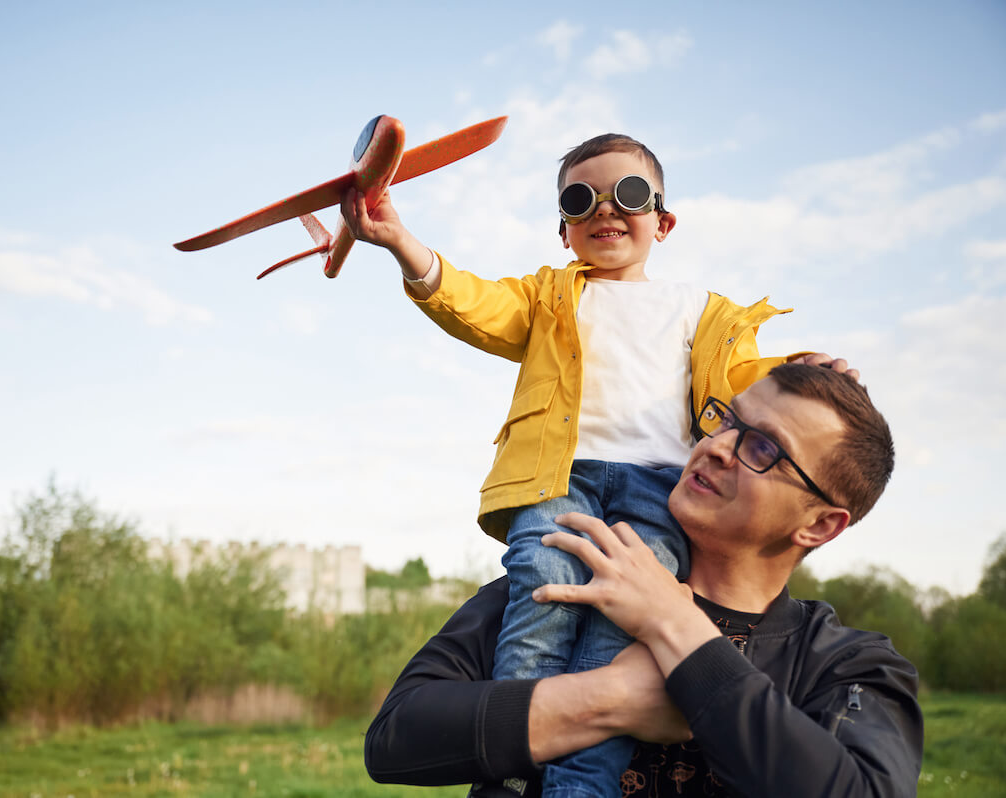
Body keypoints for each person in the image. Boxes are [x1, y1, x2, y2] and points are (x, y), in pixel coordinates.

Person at [344, 133, 836, 797]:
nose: (605, 209)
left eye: (628, 195)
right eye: (582, 200)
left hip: (660, 490)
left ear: (662, 221)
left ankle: (581, 790)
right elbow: (475, 303)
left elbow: (745, 380)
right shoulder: (549, 297)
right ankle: (514, 773)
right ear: (564, 229)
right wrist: (405, 243)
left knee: (622, 623)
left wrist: (796, 369)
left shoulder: (702, 309)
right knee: (543, 591)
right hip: (559, 478)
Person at [364, 363, 923, 797]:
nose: (715, 447)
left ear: (820, 524)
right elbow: (395, 737)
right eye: (729, 420)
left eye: (762, 448)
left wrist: (673, 622)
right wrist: (605, 699)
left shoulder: (845, 664)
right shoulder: (573, 568)